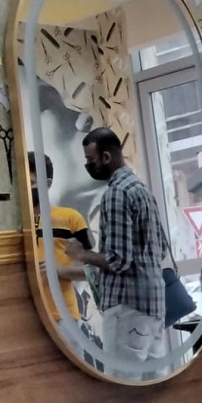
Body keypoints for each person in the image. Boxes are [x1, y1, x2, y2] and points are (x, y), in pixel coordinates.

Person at [65, 128, 172, 369]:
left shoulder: (116, 194)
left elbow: (118, 260)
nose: (88, 166)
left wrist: (80, 254)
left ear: (106, 157)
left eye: (90, 160)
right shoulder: (141, 189)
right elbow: (162, 249)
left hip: (128, 309)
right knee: (153, 381)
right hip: (153, 307)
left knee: (124, 382)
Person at [29, 152, 93, 323]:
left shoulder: (71, 218)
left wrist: (60, 270)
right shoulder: (16, 222)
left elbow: (93, 270)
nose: (26, 189)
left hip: (62, 316)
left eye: (32, 183)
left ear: (47, 184)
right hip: (25, 317)